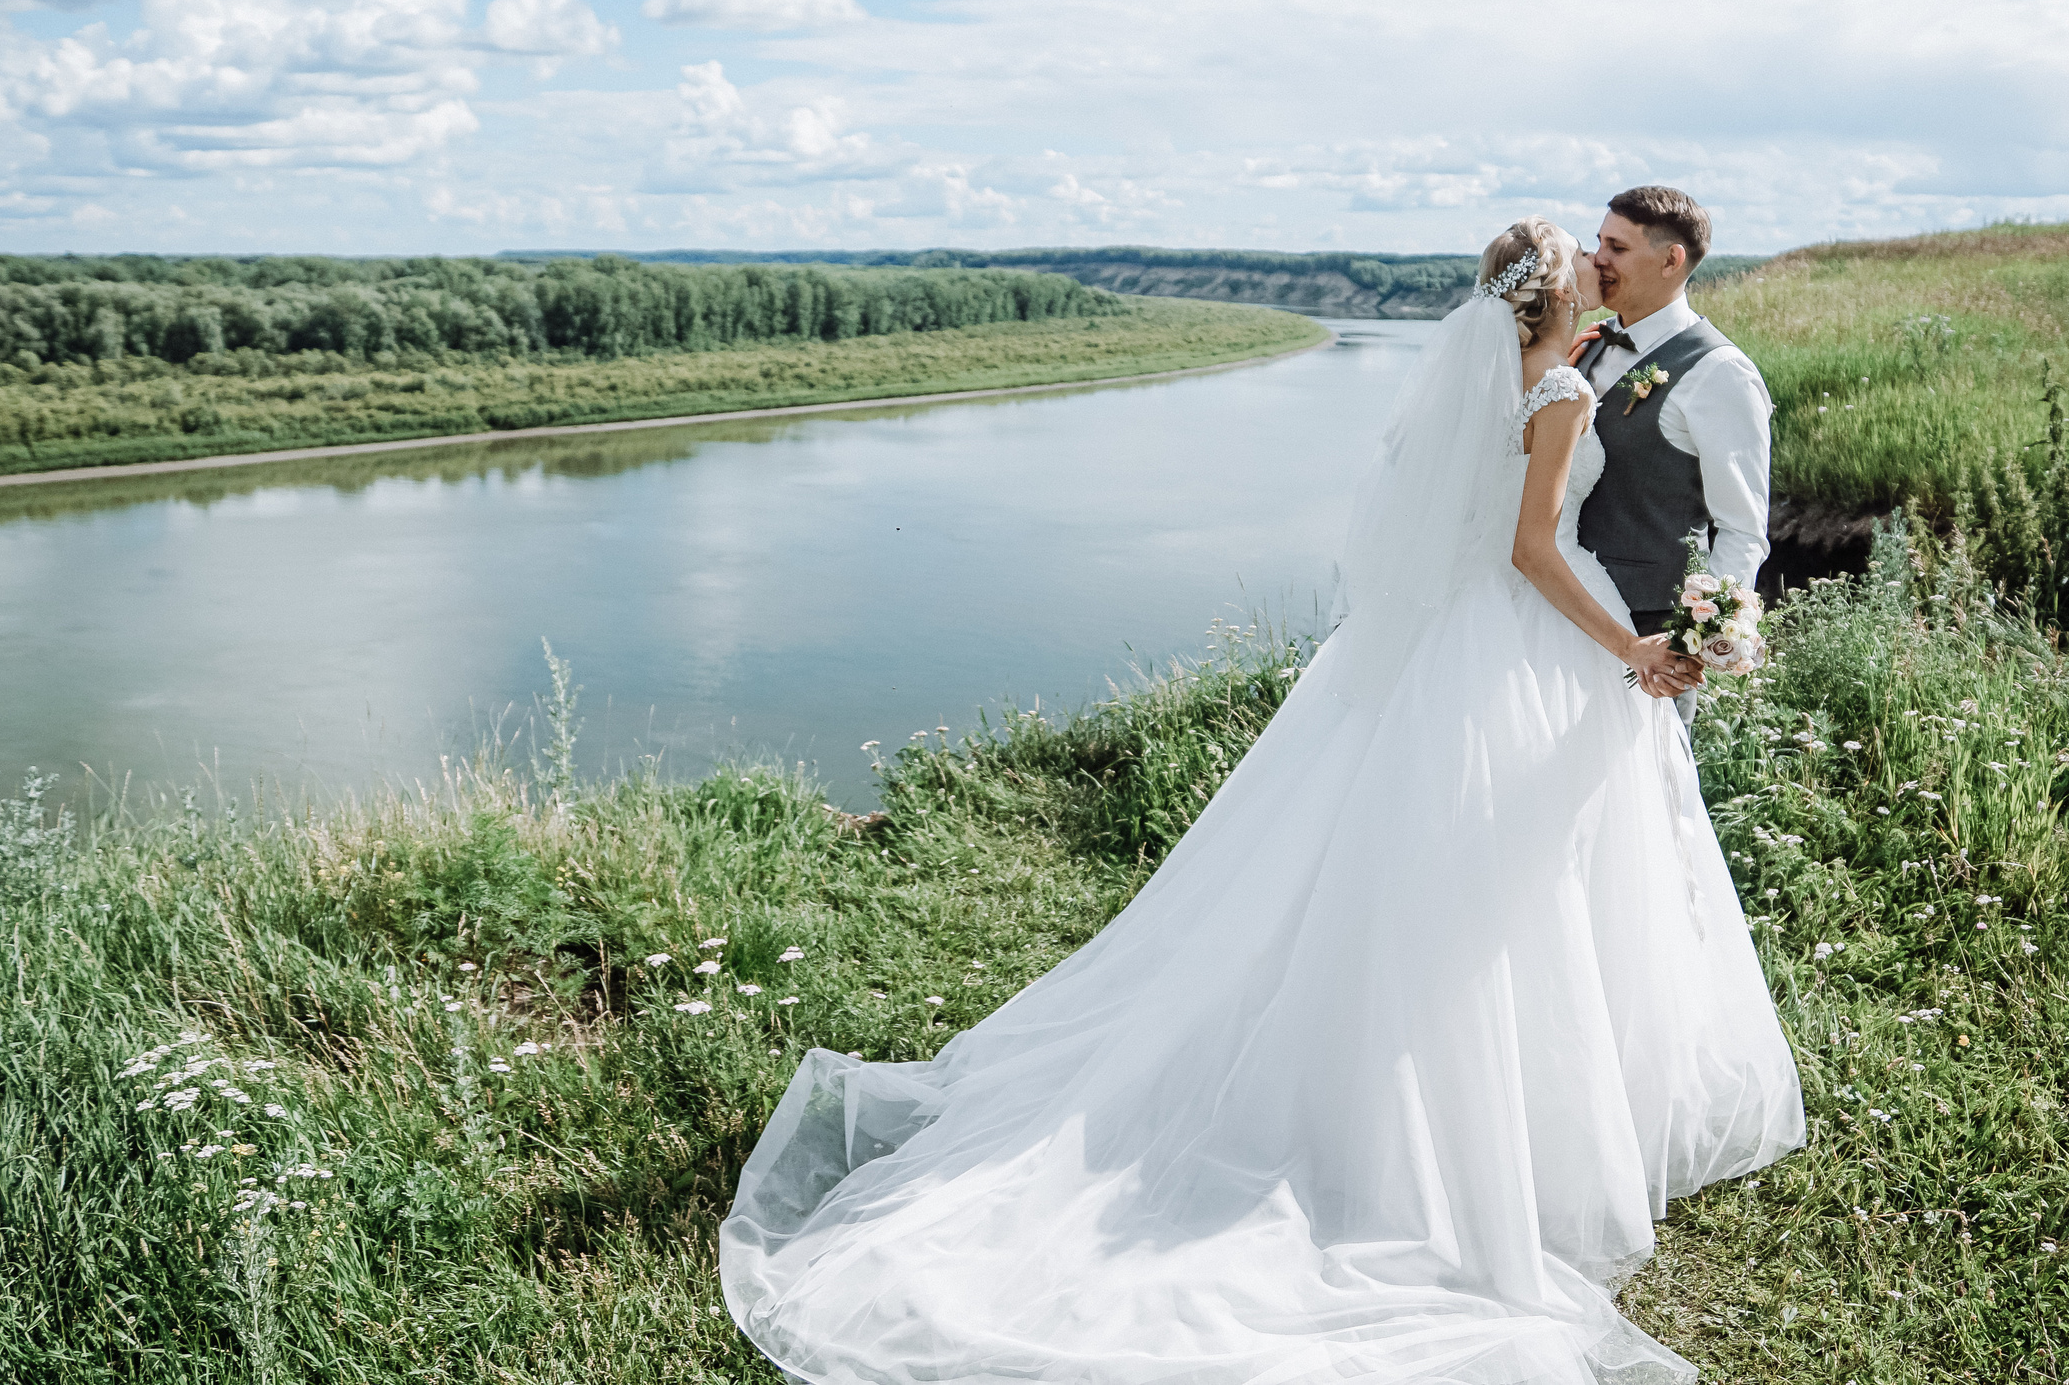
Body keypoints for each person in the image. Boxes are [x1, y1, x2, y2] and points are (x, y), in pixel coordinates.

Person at [720, 217, 1804, 1385]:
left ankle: (1538, 1102)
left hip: (1477, 644)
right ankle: (1497, 1131)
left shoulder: (1532, 371)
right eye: (1586, 255)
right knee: (1510, 878)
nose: (1600, 263)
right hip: (1541, 636)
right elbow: (1530, 550)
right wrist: (1631, 652)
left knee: (1506, 868)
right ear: (1555, 296)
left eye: (1613, 249)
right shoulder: (1562, 390)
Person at [1569, 187, 1775, 713]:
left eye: (1617, 247)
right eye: (1598, 243)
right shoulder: (1590, 346)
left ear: (1671, 259)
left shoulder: (1719, 373)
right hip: (1563, 613)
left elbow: (1742, 527)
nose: (1598, 260)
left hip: (1651, 643)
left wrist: (1698, 640)